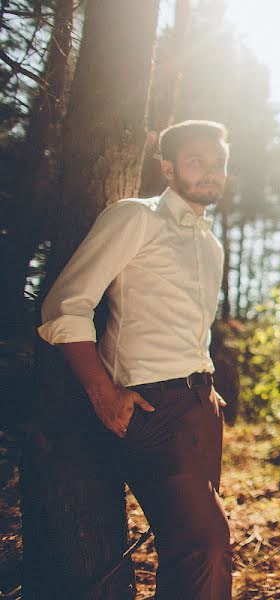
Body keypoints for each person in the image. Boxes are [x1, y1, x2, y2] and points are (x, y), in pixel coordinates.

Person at [38, 120, 233, 599]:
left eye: (218, 164)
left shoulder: (211, 245)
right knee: (205, 546)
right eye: (196, 161)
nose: (210, 172)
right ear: (167, 168)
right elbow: (64, 305)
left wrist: (207, 387)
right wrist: (103, 392)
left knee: (183, 553)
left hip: (200, 407)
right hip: (151, 410)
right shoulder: (135, 218)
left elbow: (186, 325)